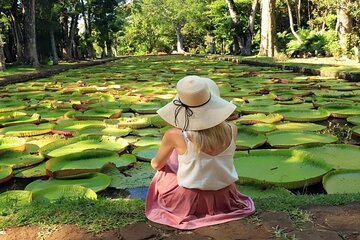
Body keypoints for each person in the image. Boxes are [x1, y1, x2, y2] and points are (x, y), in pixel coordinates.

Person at [145, 76, 255, 230]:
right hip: (226, 196)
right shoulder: (232, 129)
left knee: (165, 167)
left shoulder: (174, 135)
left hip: (191, 201)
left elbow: (156, 164)